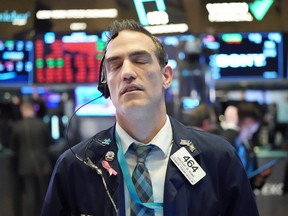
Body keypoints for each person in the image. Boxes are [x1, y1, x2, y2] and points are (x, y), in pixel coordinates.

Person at [41, 19, 259, 216]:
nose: (127, 72)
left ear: (166, 76)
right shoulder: (77, 166)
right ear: (106, 85)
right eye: (115, 65)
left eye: (140, 60)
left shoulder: (217, 158)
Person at [9, 99, 52, 216]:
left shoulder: (17, 126)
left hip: (25, 165)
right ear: (33, 110)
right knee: (44, 194)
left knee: (30, 195)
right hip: (43, 164)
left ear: (22, 111)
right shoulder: (42, 124)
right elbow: (49, 143)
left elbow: (13, 148)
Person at [221, 102, 271, 189]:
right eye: (248, 129)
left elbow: (252, 182)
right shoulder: (224, 139)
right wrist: (231, 126)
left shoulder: (248, 146)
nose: (250, 135)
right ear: (238, 123)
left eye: (253, 131)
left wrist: (260, 178)